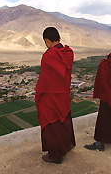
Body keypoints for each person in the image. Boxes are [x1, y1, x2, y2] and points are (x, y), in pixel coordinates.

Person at [35, 27, 76, 164]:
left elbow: (45, 78)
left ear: (46, 41)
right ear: (59, 38)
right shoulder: (68, 52)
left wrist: (39, 92)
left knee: (52, 123)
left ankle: (56, 155)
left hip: (51, 96)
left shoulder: (48, 55)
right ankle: (68, 144)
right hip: (63, 94)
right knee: (64, 120)